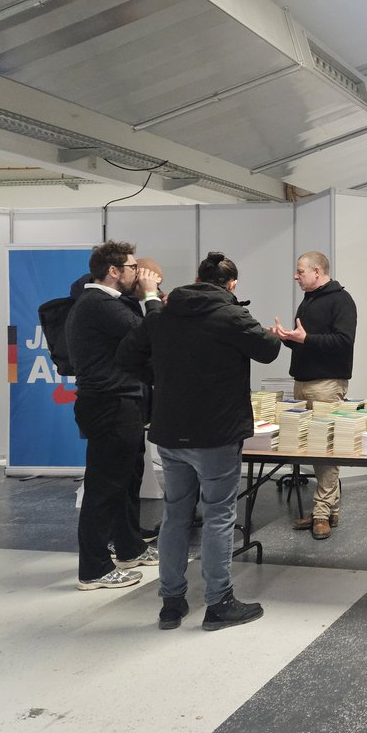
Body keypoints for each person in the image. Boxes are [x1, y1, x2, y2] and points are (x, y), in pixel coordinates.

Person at [118, 252, 283, 631]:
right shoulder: (231, 315)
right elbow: (270, 350)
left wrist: (161, 372)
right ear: (232, 285)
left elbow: (127, 356)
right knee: (219, 515)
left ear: (196, 278)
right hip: (217, 433)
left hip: (171, 432)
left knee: (175, 516)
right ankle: (218, 602)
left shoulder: (162, 314)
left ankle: (171, 603)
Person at [65, 240, 163, 590]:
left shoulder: (105, 303)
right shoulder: (98, 304)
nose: (139, 273)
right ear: (114, 270)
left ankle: (129, 547)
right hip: (109, 405)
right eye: (133, 267)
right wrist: (150, 297)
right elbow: (152, 335)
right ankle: (93, 569)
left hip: (121, 402)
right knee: (104, 489)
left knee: (124, 483)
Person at [272, 251, 357, 540]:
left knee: (324, 450)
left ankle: (321, 513)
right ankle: (328, 510)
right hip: (303, 382)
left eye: (301, 272)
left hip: (327, 384)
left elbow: (344, 343)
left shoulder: (342, 301)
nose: (296, 277)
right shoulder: (308, 300)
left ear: (318, 272)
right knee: (311, 448)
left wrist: (305, 339)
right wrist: (287, 338)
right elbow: (305, 343)